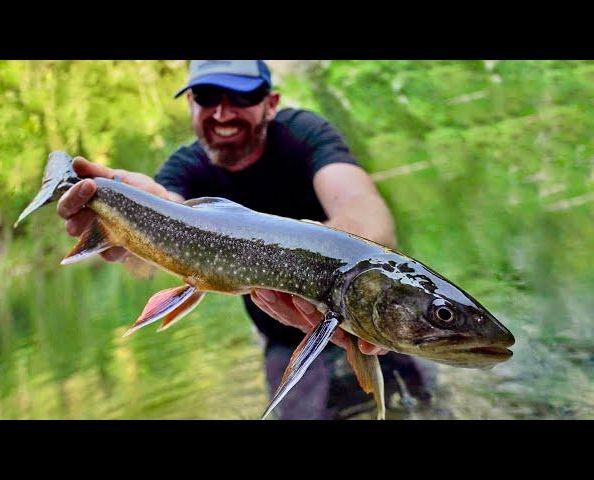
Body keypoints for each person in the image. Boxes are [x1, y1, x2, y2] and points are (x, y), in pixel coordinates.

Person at [56, 60, 435, 419]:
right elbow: (152, 245)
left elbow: (365, 210)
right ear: (190, 103)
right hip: (282, 339)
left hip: (360, 312)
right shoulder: (184, 168)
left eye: (241, 97)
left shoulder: (305, 133)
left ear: (270, 104)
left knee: (422, 408)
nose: (222, 113)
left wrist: (341, 273)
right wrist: (126, 229)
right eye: (207, 97)